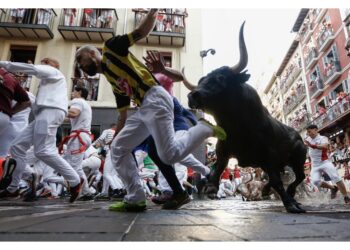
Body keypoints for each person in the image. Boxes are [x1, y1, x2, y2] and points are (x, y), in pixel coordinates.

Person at [75, 9, 226, 212]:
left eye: (80, 59)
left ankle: (204, 128)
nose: (79, 65)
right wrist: (116, 136)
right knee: (118, 149)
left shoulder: (110, 49)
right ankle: (136, 198)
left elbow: (140, 32)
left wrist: (153, 11)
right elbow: (122, 113)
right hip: (144, 109)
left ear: (93, 53)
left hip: (155, 99)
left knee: (169, 155)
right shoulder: (112, 80)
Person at [0, 58, 83, 202]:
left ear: (52, 66)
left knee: (44, 150)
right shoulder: (48, 84)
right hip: (43, 114)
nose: (41, 66)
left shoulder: (54, 72)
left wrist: (4, 64)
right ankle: (13, 188)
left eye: (44, 64)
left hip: (50, 112)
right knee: (17, 146)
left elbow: (33, 69)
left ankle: (75, 180)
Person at [61, 86, 94, 201]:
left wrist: (59, 108)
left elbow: (73, 113)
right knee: (76, 167)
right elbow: (72, 117)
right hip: (82, 136)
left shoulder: (77, 101)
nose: (72, 93)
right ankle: (87, 192)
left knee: (74, 166)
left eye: (74, 91)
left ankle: (84, 191)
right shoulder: (86, 104)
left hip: (78, 137)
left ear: (79, 92)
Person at [304, 124, 350, 204]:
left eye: (309, 132)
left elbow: (325, 146)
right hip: (315, 165)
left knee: (336, 177)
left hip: (324, 162)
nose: (308, 134)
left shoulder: (323, 138)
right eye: (307, 132)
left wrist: (312, 145)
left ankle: (346, 196)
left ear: (316, 130)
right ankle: (333, 188)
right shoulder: (307, 138)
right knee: (315, 181)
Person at [0, 68, 31, 157]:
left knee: (3, 152)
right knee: (5, 153)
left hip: (11, 127)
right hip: (6, 120)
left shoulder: (29, 94)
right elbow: (27, 102)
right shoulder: (10, 79)